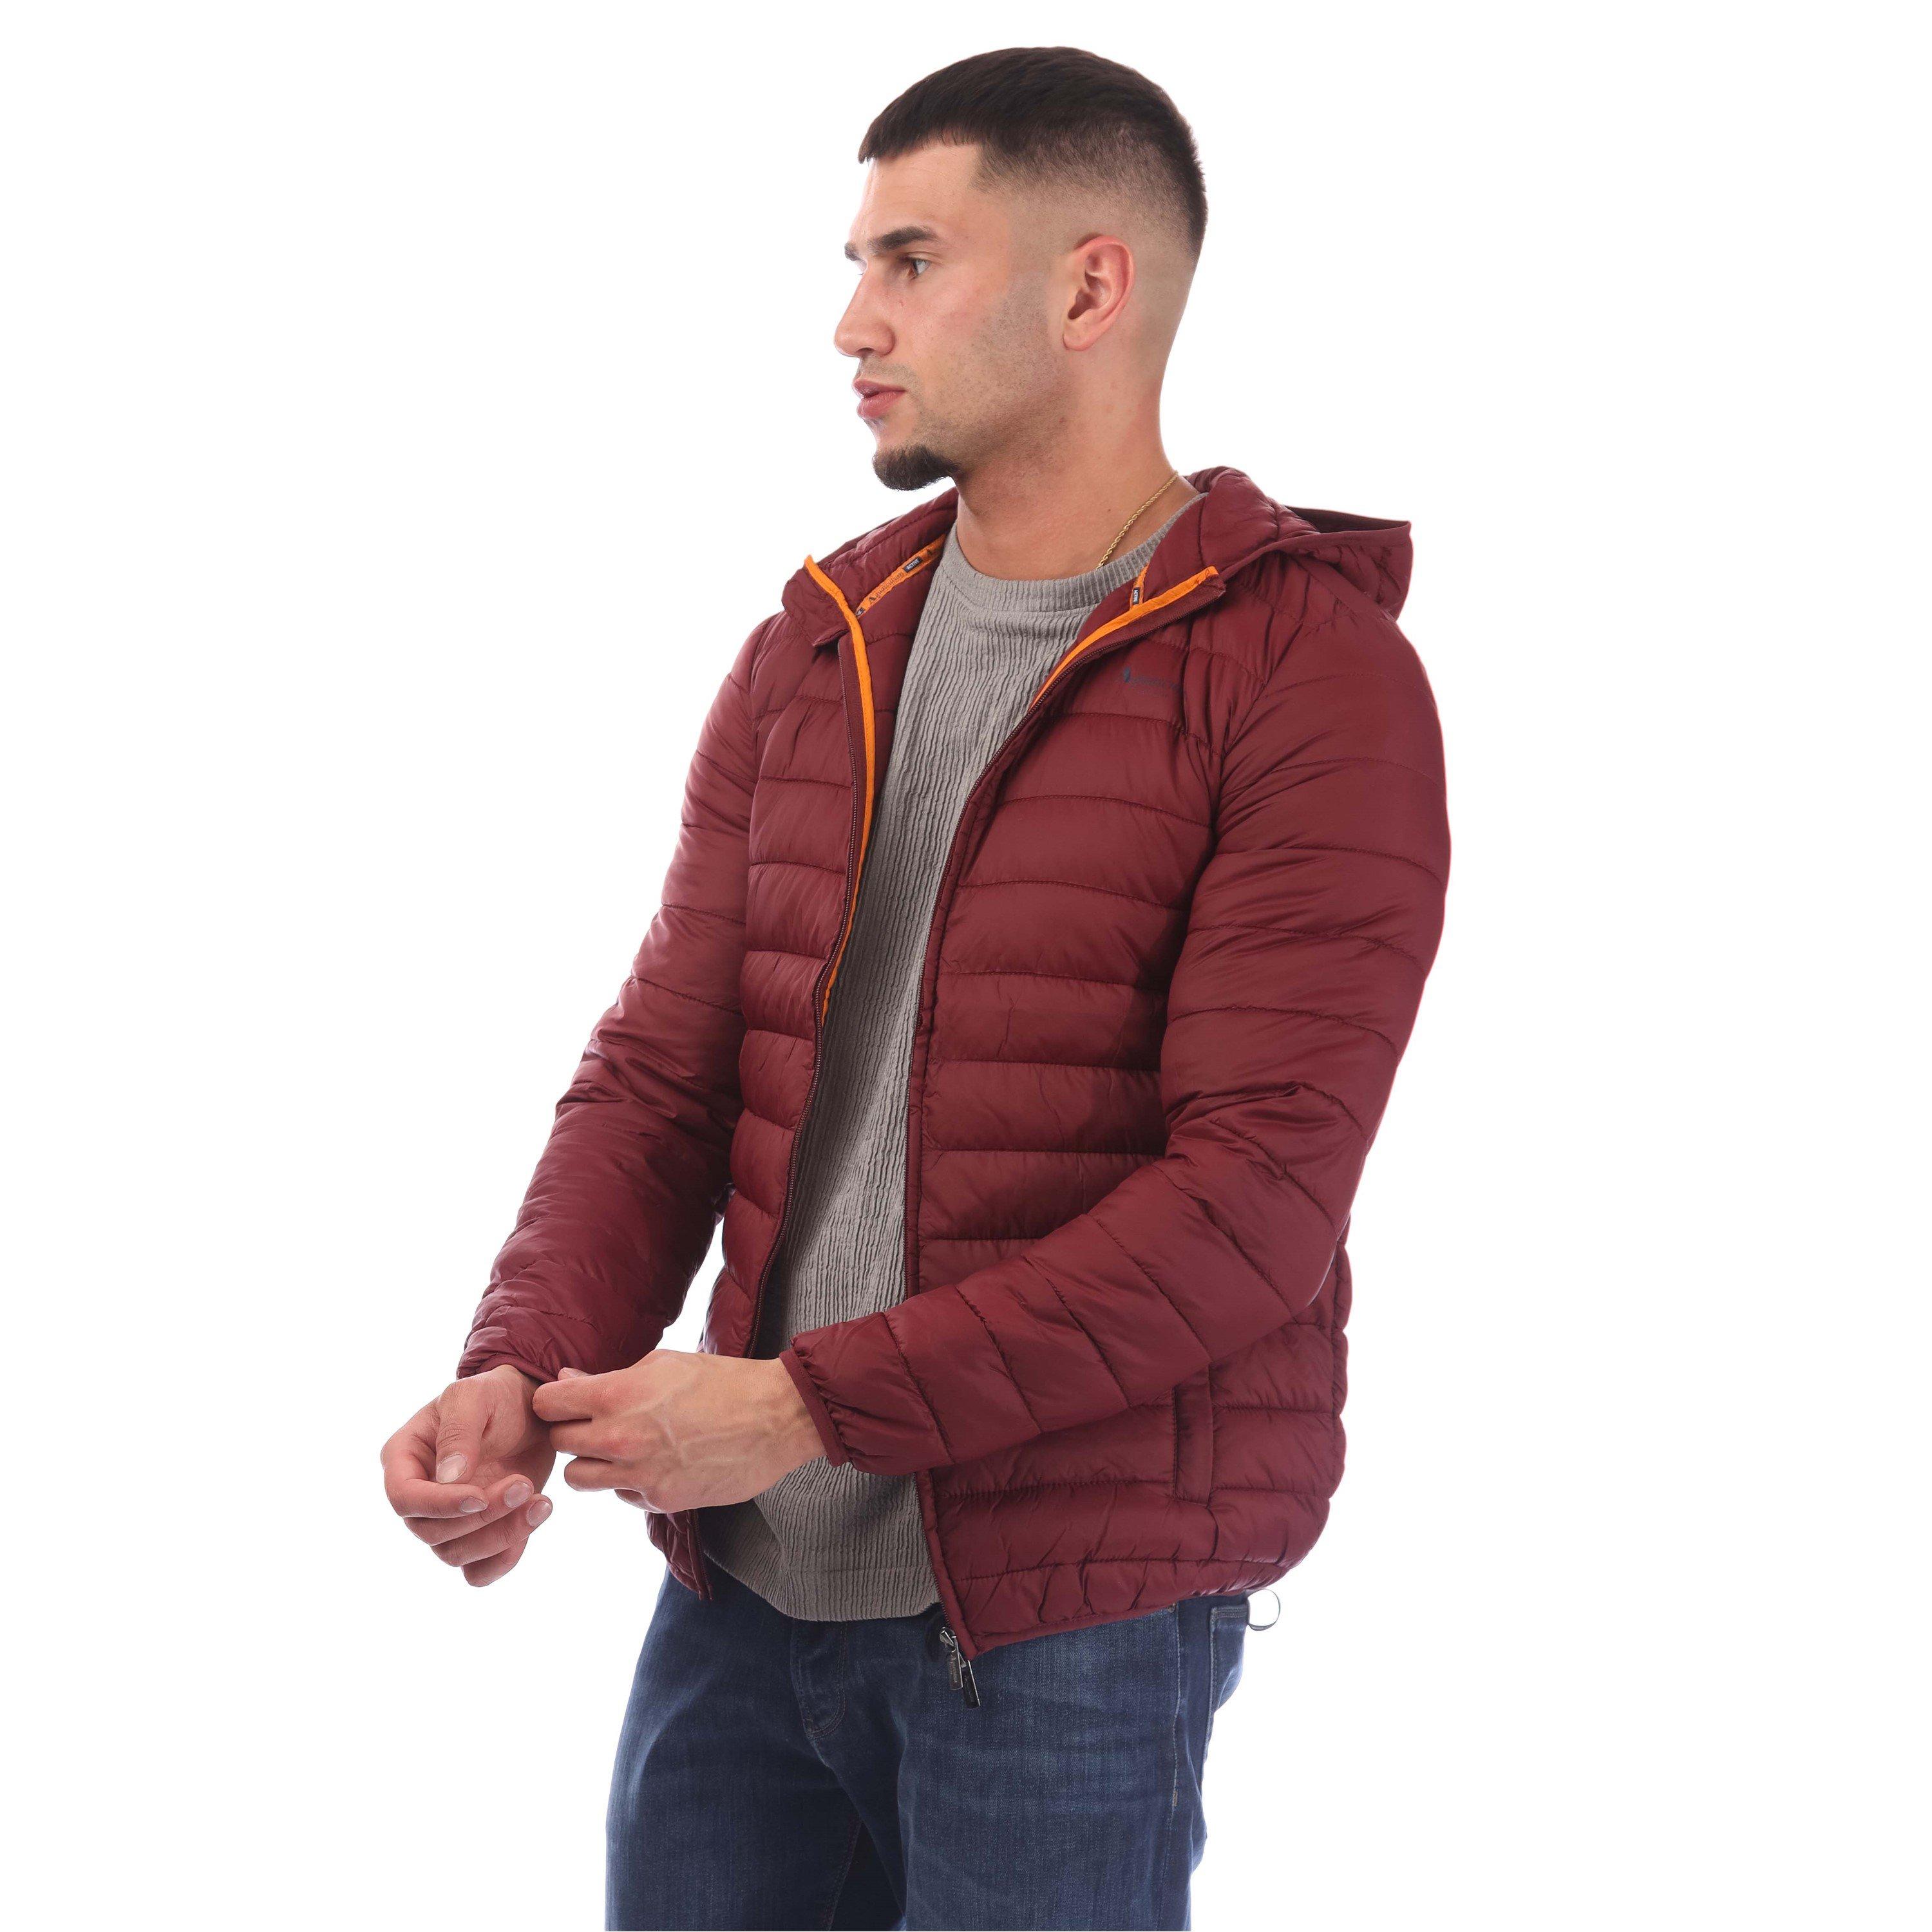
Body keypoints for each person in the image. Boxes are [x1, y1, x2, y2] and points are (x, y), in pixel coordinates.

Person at [381, 44, 1450, 1932]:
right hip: (740, 1593)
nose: (851, 322)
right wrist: (519, 1365)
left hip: (1062, 1627)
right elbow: (663, 1077)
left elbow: (1253, 1205)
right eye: (859, 263)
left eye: (912, 261)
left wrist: (803, 1407)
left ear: (1091, 289)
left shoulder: (1303, 674)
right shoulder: (821, 645)